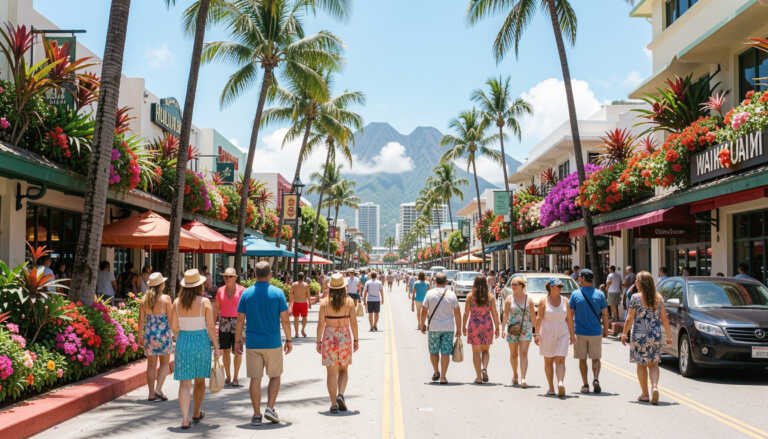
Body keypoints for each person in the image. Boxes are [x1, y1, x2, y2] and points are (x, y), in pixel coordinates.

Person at [235, 261, 292, 426]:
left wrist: (237, 340)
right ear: (270, 275)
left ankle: (256, 415)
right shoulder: (278, 293)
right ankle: (270, 408)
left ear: (254, 275)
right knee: (275, 376)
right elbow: (285, 319)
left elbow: (240, 320)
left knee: (255, 379)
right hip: (273, 342)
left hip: (253, 343)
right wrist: (289, 339)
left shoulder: (246, 294)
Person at [170, 269, 220, 429]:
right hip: (201, 342)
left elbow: (174, 327)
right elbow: (210, 327)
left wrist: (181, 337)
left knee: (185, 383)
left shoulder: (176, 302)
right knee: (200, 381)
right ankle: (196, 412)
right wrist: (216, 347)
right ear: (199, 286)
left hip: (183, 341)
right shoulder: (204, 302)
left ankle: (185, 419)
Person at [621, 271, 673, 405]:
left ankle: (645, 394)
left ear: (641, 283)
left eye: (637, 281)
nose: (635, 283)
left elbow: (629, 318)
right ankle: (654, 386)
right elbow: (664, 319)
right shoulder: (658, 298)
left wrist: (624, 333)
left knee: (641, 364)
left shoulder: (635, 298)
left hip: (639, 335)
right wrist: (669, 336)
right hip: (655, 335)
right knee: (654, 364)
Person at [316, 273, 359, 413]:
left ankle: (333, 404)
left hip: (329, 337)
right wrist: (356, 339)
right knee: (344, 369)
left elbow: (320, 324)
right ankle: (340, 394)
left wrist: (318, 341)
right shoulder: (349, 302)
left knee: (331, 373)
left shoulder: (324, 303)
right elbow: (354, 323)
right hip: (344, 336)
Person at [570, 269, 609, 394]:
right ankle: (596, 378)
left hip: (580, 332)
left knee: (582, 359)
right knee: (596, 358)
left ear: (582, 278)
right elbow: (605, 314)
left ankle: (585, 384)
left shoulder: (575, 294)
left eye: (579, 277)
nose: (578, 279)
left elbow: (570, 314)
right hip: (596, 331)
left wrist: (570, 332)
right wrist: (606, 329)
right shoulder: (600, 294)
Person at [534, 278, 575, 397]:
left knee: (560, 359)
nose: (560, 288)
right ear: (551, 287)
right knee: (548, 361)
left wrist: (572, 335)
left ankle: (560, 382)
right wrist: (536, 334)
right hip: (547, 334)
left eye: (561, 287)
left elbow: (569, 319)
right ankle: (551, 387)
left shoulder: (565, 301)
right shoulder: (544, 301)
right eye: (558, 286)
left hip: (562, 333)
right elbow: (539, 318)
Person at [419, 273, 461, 385]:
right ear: (446, 282)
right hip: (448, 328)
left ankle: (436, 371)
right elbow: (457, 313)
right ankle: (443, 377)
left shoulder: (429, 293)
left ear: (435, 281)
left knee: (433, 351)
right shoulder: (451, 294)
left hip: (434, 328)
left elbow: (424, 310)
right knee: (445, 352)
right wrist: (459, 329)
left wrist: (422, 324)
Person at [138, 272, 172, 402]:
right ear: (161, 285)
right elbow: (171, 319)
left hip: (149, 335)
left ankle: (151, 394)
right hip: (163, 335)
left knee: (151, 365)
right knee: (164, 363)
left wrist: (139, 336)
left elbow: (141, 320)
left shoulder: (144, 300)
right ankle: (158, 389)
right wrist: (175, 333)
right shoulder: (166, 299)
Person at [463, 275, 500, 384]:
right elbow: (494, 313)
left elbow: (466, 313)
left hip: (474, 325)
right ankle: (484, 368)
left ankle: (478, 377)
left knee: (476, 352)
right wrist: (497, 327)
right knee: (485, 350)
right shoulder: (490, 297)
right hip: (487, 325)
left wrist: (463, 326)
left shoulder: (470, 296)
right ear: (486, 284)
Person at [214, 267, 245, 387]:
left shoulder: (242, 290)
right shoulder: (220, 290)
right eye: (225, 276)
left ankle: (236, 377)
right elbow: (216, 308)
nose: (227, 278)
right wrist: (212, 323)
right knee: (225, 350)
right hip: (224, 322)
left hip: (238, 322)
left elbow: (246, 308)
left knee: (238, 351)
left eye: (230, 276)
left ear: (235, 278)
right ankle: (228, 376)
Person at [502, 276, 535, 388]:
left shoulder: (529, 299)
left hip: (526, 329)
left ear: (522, 286)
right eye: (512, 284)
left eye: (515, 284)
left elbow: (533, 316)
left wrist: (536, 331)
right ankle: (515, 374)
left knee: (524, 353)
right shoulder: (509, 299)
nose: (513, 286)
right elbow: (505, 314)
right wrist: (503, 329)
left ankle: (523, 378)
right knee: (514, 354)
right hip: (512, 329)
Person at [289, 272, 311, 338]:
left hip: (296, 303)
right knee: (305, 317)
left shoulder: (294, 285)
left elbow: (290, 294)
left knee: (296, 318)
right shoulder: (306, 285)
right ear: (303, 277)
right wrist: (309, 303)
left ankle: (296, 333)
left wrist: (290, 303)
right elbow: (308, 295)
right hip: (303, 303)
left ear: (297, 277)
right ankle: (303, 329)